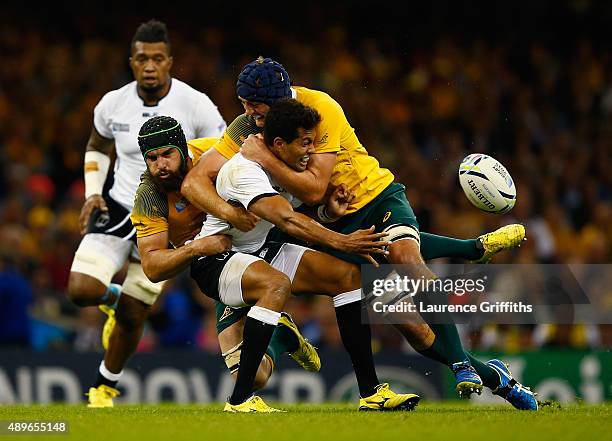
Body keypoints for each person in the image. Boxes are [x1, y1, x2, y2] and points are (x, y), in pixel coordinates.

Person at [181, 57, 537, 410]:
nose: (246, 112)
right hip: (324, 222)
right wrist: (229, 213)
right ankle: (495, 375)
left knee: (404, 259)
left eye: (253, 105)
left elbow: (315, 187)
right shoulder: (250, 128)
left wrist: (266, 158)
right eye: (243, 104)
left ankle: (460, 362)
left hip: (371, 199)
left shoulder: (319, 109)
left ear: (278, 101)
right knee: (412, 327)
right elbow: (196, 180)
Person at [189, 103, 419, 412]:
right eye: (305, 142)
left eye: (312, 141)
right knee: (276, 285)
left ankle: (371, 393)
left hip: (261, 251)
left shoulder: (290, 167)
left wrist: (327, 212)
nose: (311, 150)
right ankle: (239, 401)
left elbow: (299, 211)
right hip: (217, 259)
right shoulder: (244, 170)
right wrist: (343, 241)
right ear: (280, 145)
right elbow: (287, 220)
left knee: (346, 277)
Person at [87, 117, 320, 408]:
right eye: (152, 158)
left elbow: (276, 164)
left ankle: (371, 387)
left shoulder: (215, 154)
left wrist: (318, 205)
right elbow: (152, 267)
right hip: (215, 263)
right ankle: (281, 336)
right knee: (255, 375)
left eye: (167, 154)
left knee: (339, 277)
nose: (161, 165)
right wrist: (198, 246)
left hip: (257, 242)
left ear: (183, 150)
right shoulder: (149, 195)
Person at [69, 20, 227, 407]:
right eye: (142, 58)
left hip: (166, 221)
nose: (150, 65)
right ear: (132, 62)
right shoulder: (112, 103)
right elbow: (96, 145)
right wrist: (93, 193)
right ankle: (112, 296)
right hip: (121, 206)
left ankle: (104, 386)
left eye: (158, 58)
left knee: (133, 314)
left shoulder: (195, 104)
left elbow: (222, 153)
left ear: (170, 61)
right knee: (81, 290)